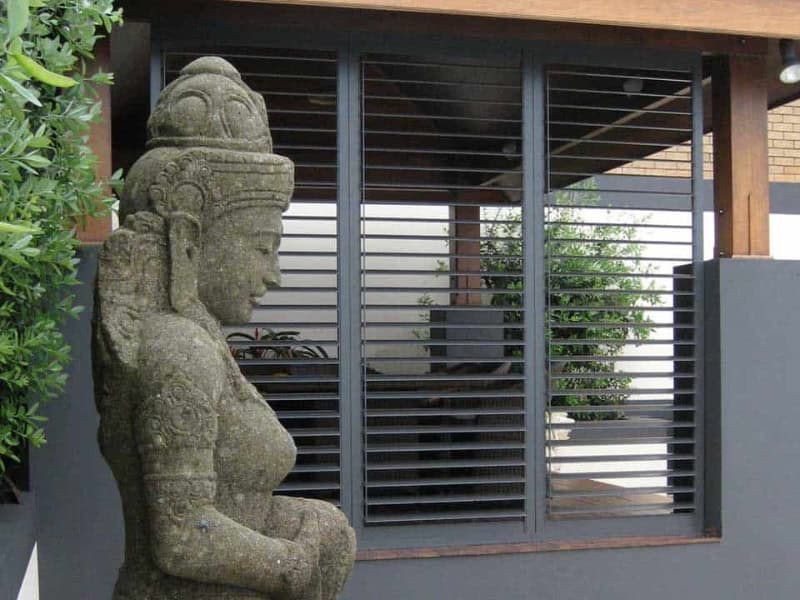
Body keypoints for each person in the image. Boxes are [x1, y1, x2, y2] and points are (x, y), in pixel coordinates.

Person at [93, 56, 355, 600]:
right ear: (190, 241)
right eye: (262, 247)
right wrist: (294, 564)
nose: (273, 273)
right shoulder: (178, 352)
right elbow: (183, 535)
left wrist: (316, 523)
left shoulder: (199, 338)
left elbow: (235, 506)